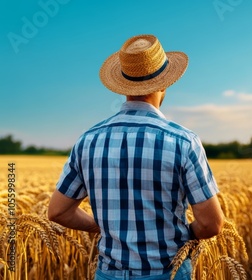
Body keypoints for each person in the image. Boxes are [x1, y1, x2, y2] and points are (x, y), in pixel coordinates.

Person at [48, 34, 225, 279]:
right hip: (167, 273)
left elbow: (58, 212)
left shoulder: (88, 140)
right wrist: (181, 237)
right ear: (164, 84)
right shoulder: (183, 141)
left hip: (108, 274)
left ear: (123, 85)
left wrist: (105, 228)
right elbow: (210, 224)